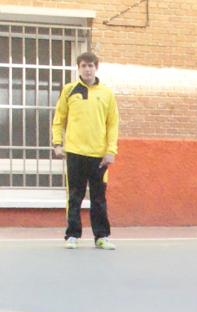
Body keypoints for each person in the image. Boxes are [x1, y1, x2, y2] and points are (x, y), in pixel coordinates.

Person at [52, 50, 119, 250]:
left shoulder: (107, 93)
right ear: (78, 68)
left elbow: (113, 124)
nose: (87, 70)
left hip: (99, 155)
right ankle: (72, 235)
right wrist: (57, 143)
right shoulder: (69, 90)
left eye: (91, 66)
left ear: (96, 68)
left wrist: (111, 151)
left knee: (98, 198)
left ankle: (102, 236)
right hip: (75, 152)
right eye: (83, 66)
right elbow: (59, 119)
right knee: (74, 195)